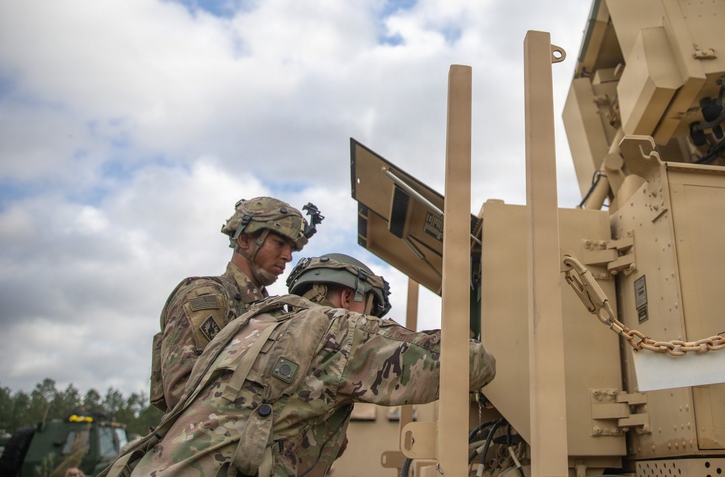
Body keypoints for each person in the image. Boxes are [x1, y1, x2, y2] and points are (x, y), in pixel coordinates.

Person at [110, 254, 495, 477]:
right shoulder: (338, 328)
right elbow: (459, 364)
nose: (373, 321)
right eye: (372, 310)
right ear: (348, 297)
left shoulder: (250, 325)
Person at [149, 197, 323, 412]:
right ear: (244, 240)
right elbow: (185, 392)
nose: (287, 256)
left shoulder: (274, 314)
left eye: (292, 249)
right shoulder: (207, 296)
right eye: (279, 243)